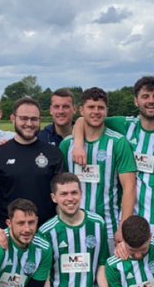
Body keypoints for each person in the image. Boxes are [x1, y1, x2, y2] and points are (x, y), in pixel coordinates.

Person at [70, 76, 154, 242]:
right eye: (145, 96)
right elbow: (83, 119)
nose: (151, 101)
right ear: (136, 101)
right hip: (127, 221)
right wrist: (78, 144)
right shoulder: (126, 126)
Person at [58, 87, 136, 247]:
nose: (96, 111)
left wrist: (123, 227)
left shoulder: (118, 143)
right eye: (91, 107)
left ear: (107, 111)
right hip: (72, 225)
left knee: (109, 271)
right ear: (81, 110)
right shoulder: (67, 145)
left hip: (108, 227)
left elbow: (129, 187)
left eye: (100, 107)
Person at [0, 96, 64, 226]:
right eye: (24, 118)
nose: (29, 123)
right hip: (8, 232)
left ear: (40, 120)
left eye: (34, 119)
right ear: (13, 119)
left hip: (45, 230)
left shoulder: (53, 153)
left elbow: (60, 195)